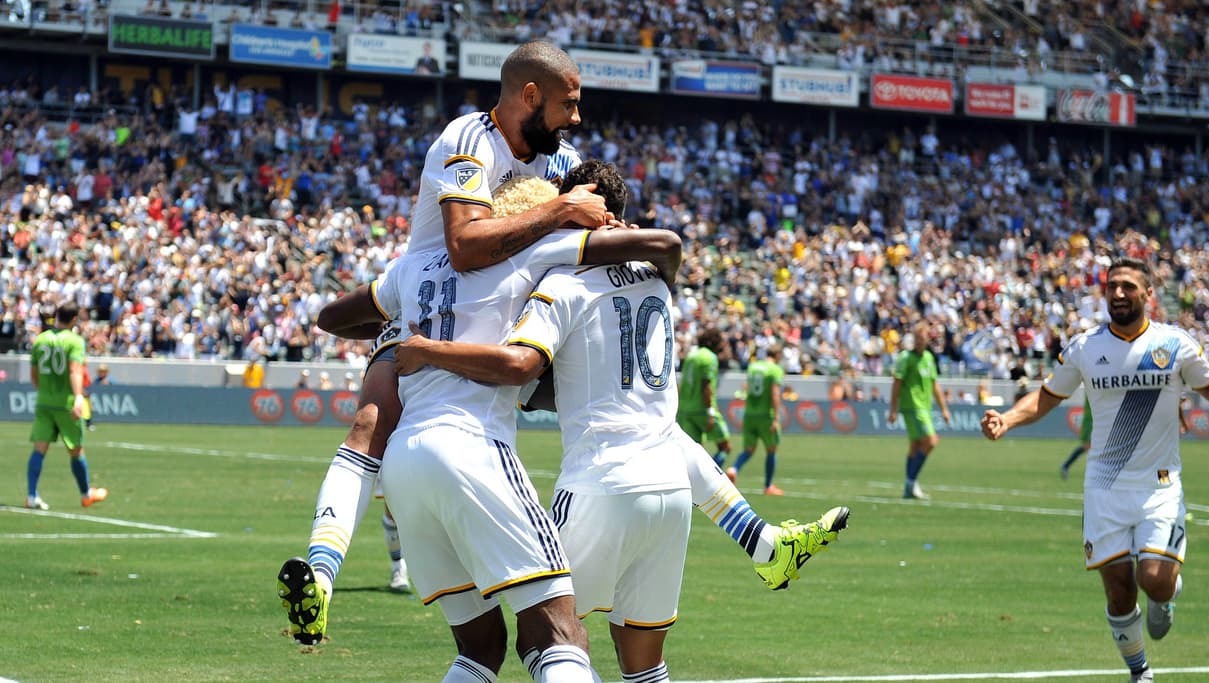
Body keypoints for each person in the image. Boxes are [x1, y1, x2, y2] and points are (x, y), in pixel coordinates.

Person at [390, 164, 847, 681]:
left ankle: (762, 542)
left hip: (600, 485)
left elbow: (520, 365)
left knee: (546, 639)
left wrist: (430, 351)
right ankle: (760, 540)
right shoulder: (656, 275)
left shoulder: (562, 282)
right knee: (644, 665)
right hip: (672, 496)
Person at [277, 38, 612, 653]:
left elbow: (600, 213)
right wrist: (564, 213)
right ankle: (321, 577)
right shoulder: (468, 139)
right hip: (430, 310)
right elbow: (463, 245)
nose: (576, 118)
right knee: (373, 421)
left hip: (455, 315)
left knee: (480, 645)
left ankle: (322, 577)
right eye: (568, 103)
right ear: (528, 95)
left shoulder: (563, 160)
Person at [980, 257, 1209, 683]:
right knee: (1119, 590)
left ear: (1148, 294)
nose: (1118, 293)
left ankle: (1166, 594)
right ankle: (1141, 674)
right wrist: (1006, 419)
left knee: (1153, 579)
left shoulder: (1175, 345)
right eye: (1111, 285)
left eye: (1128, 286)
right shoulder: (1085, 347)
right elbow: (1047, 396)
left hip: (1159, 486)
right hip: (1104, 487)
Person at [24, 302, 108, 510]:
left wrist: (41, 391)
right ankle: (86, 494)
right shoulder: (75, 341)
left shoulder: (40, 339)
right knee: (76, 450)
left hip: (44, 401)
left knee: (39, 449)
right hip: (66, 404)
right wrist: (78, 397)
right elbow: (74, 370)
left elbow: (34, 373)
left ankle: (32, 495)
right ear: (73, 320)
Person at [889, 323, 952, 500]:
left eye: (922, 338)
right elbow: (897, 383)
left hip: (925, 407)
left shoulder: (929, 358)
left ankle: (909, 487)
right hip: (912, 407)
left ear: (928, 339)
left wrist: (944, 409)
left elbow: (934, 385)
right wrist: (893, 408)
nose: (919, 341)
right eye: (916, 338)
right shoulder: (905, 357)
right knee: (931, 441)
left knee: (915, 446)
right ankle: (911, 482)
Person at [727, 345, 786, 495]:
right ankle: (768, 486)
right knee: (771, 450)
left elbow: (745, 387)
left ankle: (734, 469)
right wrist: (776, 416)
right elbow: (774, 394)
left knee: (748, 450)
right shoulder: (775, 370)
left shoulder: (753, 367)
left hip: (749, 414)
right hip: (765, 415)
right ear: (778, 355)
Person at [676, 328, 733, 467]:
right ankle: (713, 477)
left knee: (695, 453)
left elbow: (682, 384)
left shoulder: (691, 356)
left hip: (685, 410)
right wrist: (710, 412)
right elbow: (706, 386)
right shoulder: (709, 357)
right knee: (725, 447)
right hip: (702, 410)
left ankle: (696, 483)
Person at [1060, 398, 1092, 480]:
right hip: (1090, 422)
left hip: (1093, 421)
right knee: (1088, 446)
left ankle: (1066, 466)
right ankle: (1066, 466)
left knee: (1090, 447)